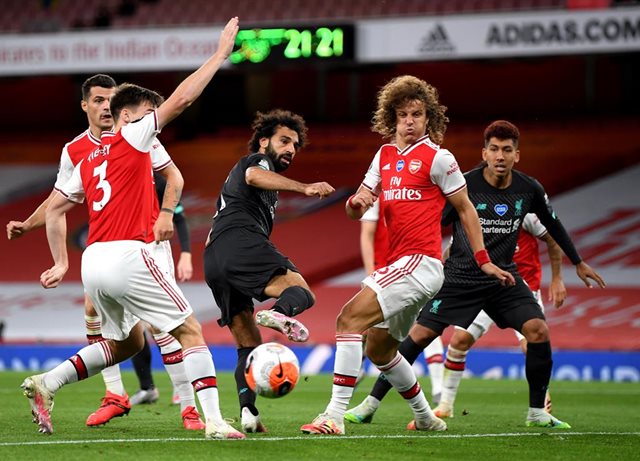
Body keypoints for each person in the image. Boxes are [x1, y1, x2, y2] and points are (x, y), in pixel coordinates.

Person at [23, 17, 243, 439]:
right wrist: (218, 56)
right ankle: (214, 422)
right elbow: (181, 100)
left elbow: (54, 209)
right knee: (188, 329)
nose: (152, 120)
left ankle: (47, 382)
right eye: (146, 114)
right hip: (128, 254)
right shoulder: (133, 136)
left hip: (93, 262)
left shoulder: (86, 157)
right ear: (128, 116)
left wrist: (58, 261)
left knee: (128, 344)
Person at [344, 119, 606, 430]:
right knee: (420, 336)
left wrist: (577, 261)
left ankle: (538, 412)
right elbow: (433, 219)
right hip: (459, 276)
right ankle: (370, 403)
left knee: (538, 330)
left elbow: (552, 224)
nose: (500, 156)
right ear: (484, 153)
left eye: (507, 150)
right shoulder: (464, 184)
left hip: (502, 277)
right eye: (494, 149)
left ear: (516, 155)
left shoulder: (528, 188)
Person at [300, 75, 514, 436]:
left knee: (348, 319)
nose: (410, 121)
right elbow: (357, 207)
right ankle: (427, 417)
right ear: (392, 118)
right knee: (380, 351)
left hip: (421, 262)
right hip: (398, 264)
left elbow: (466, 209)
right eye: (403, 115)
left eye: (417, 114)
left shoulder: (438, 158)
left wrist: (483, 258)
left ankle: (334, 416)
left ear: (429, 117)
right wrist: (356, 203)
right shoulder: (383, 155)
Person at [7, 74, 204, 431]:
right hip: (109, 248)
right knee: (96, 310)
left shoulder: (139, 134)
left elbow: (174, 178)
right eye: (97, 100)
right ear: (85, 105)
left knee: (164, 327)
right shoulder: (75, 151)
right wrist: (28, 224)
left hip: (147, 244)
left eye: (110, 101)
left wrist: (165, 215)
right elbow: (58, 201)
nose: (105, 107)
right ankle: (115, 394)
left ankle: (188, 409)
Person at [203, 109, 335, 433]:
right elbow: (253, 176)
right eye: (284, 141)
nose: (291, 148)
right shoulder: (256, 162)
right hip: (239, 242)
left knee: (247, 343)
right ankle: (278, 312)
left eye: (295, 145)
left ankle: (248, 413)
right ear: (264, 141)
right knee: (301, 291)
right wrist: (304, 188)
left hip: (214, 258)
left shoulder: (258, 182)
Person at [431, 213, 565, 418]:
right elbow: (452, 250)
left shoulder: (523, 210)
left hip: (521, 290)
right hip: (482, 287)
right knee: (459, 340)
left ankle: (541, 404)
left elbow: (553, 238)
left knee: (532, 343)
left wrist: (557, 279)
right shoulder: (469, 212)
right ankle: (445, 406)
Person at [357, 199, 445, 405]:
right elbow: (367, 233)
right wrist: (371, 273)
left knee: (426, 325)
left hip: (416, 270)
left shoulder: (421, 193)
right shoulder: (379, 193)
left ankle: (439, 391)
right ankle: (358, 374)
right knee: (370, 335)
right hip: (386, 271)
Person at [130, 171, 194, 407]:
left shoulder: (158, 181)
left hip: (156, 255)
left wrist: (185, 255)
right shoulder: (116, 176)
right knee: (132, 325)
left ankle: (181, 386)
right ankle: (147, 388)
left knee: (163, 321)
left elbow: (179, 217)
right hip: (127, 256)